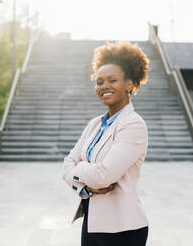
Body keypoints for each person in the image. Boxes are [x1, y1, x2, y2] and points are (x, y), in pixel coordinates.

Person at [62, 41, 150, 246]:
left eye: (112, 80)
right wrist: (85, 187)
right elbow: (66, 164)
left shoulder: (133, 125)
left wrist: (79, 168)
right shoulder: (94, 124)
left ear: (130, 84)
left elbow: (104, 176)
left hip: (122, 228)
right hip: (92, 223)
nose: (104, 86)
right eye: (99, 81)